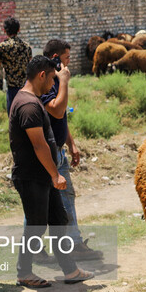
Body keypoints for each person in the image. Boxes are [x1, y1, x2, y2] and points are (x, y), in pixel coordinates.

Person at [9, 55, 93, 288]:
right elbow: (39, 145)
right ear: (41, 75)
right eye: (52, 79)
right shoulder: (27, 105)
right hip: (32, 175)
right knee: (36, 224)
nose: (53, 85)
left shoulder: (33, 100)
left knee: (58, 219)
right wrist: (56, 174)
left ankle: (70, 270)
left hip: (43, 175)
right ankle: (24, 271)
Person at [40, 39, 102, 261]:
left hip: (58, 150)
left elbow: (61, 119)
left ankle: (74, 243)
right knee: (39, 203)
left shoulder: (56, 81)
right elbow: (56, 111)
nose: (69, 63)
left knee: (66, 195)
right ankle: (35, 250)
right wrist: (63, 81)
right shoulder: (46, 82)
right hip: (44, 154)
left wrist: (71, 143)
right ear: (55, 59)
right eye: (66, 58)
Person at [0, 17, 32, 114]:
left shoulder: (3, 47)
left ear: (4, 30)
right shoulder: (26, 47)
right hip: (27, 89)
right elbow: (31, 68)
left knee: (14, 122)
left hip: (12, 91)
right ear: (19, 30)